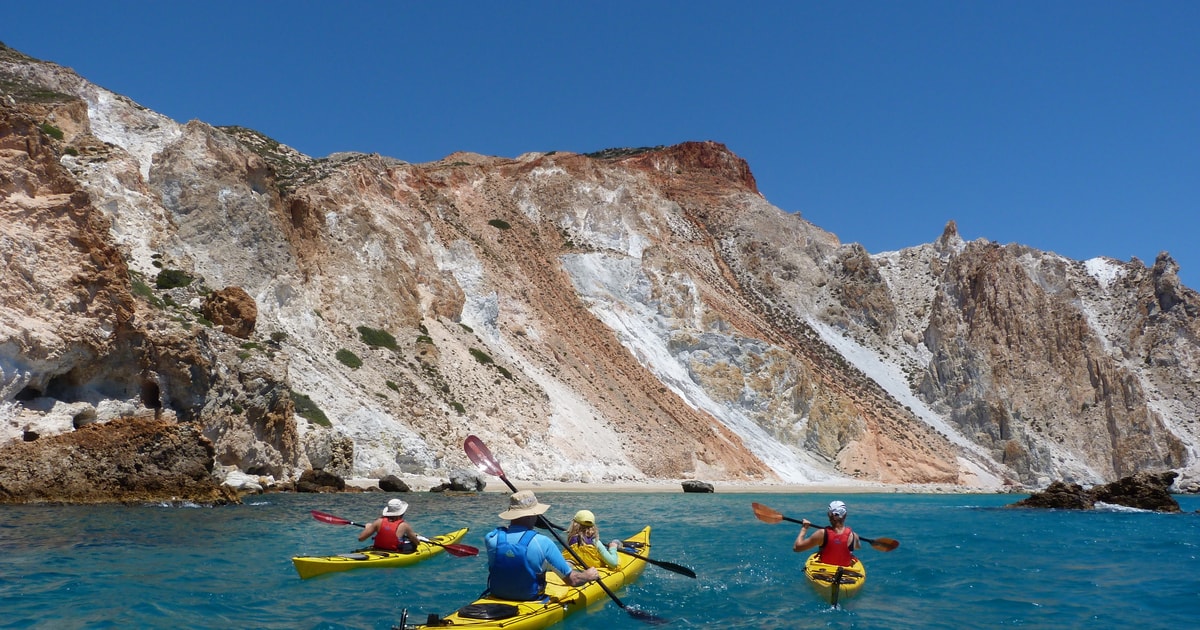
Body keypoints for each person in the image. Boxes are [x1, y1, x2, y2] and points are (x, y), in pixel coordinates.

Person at [484, 490, 599, 601]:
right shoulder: (543, 542)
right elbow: (573, 580)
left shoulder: (491, 538)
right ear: (531, 516)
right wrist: (587, 576)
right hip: (530, 599)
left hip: (497, 594)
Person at [792, 500, 860, 566]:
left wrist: (804, 529)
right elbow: (857, 547)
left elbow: (797, 548)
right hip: (846, 572)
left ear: (829, 515)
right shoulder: (854, 536)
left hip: (824, 571)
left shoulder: (821, 534)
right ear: (845, 515)